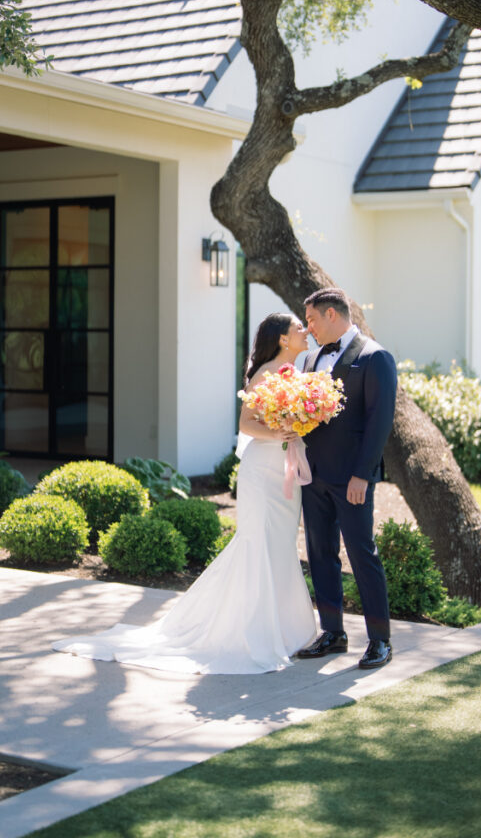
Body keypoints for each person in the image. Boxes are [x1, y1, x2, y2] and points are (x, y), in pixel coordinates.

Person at [52, 313, 316, 674]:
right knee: (257, 544)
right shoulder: (266, 373)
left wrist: (301, 424)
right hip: (262, 471)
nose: (305, 330)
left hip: (285, 470)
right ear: (284, 339)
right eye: (298, 328)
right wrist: (280, 435)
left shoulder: (301, 377)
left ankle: (286, 631)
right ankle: (252, 634)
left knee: (282, 546)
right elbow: (246, 424)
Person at [297, 287, 398, 670]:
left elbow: (378, 424)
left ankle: (380, 640)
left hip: (351, 479)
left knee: (361, 554)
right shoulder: (310, 360)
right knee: (320, 554)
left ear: (331, 315)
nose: (308, 329)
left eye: (311, 320)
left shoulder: (375, 358)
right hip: (314, 475)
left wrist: (362, 475)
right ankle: (333, 633)